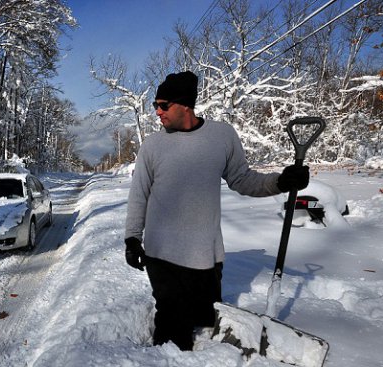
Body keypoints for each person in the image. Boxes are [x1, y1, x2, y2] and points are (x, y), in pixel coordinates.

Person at [124, 71, 309, 351]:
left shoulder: (221, 136)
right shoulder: (153, 145)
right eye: (155, 106)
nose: (157, 112)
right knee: (173, 334)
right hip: (162, 254)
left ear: (185, 105)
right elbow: (139, 194)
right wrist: (132, 238)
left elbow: (242, 179)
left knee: (206, 320)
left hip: (205, 256)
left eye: (163, 105)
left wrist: (281, 182)